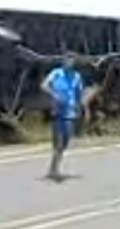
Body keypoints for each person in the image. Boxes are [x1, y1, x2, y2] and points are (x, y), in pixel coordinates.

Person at [41, 52, 97, 180]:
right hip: (58, 112)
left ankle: (55, 165)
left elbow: (79, 95)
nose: (69, 63)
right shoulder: (56, 73)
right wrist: (54, 94)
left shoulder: (76, 77)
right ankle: (53, 169)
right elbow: (44, 85)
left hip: (70, 112)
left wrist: (85, 108)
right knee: (58, 142)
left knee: (66, 142)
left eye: (72, 61)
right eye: (67, 60)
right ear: (63, 61)